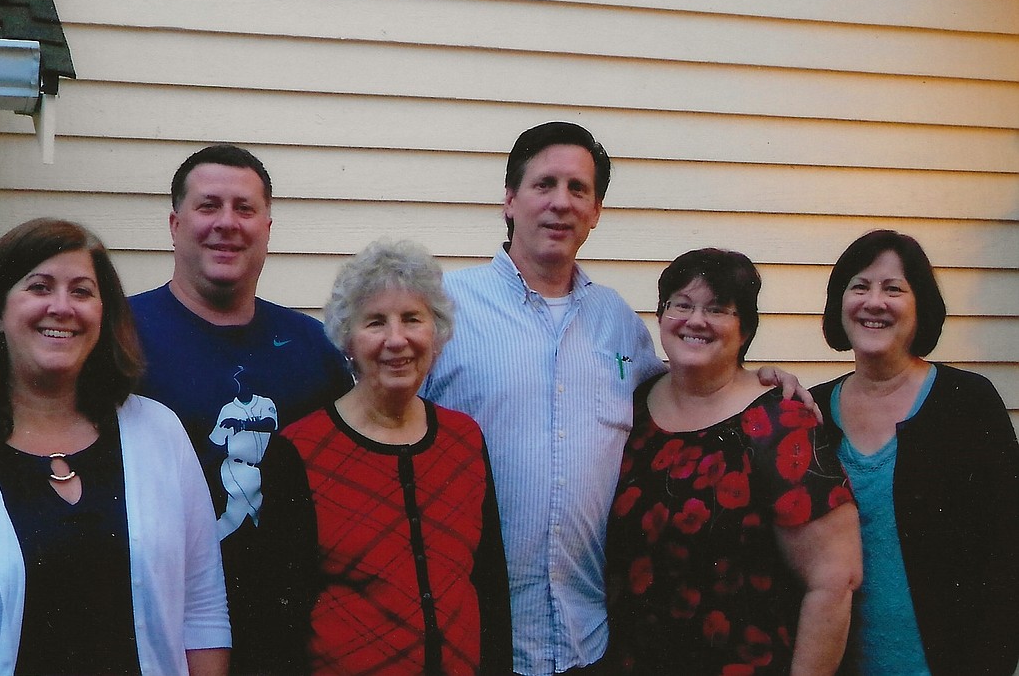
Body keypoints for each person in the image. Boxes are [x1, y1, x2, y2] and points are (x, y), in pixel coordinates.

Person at [423, 121, 813, 675]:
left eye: (578, 189)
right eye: (544, 185)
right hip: (478, 637)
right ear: (509, 200)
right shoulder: (444, 310)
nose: (561, 203)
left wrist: (758, 379)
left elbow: (685, 389)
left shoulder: (616, 324)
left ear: (597, 210)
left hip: (593, 638)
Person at [0, 218, 229, 676]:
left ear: (103, 316)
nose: (62, 307)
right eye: (40, 287)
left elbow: (202, 615)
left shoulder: (159, 433)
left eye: (82, 292)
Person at [128, 145, 352, 672]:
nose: (227, 223)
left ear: (267, 228)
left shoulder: (312, 347)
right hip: (161, 630)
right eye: (209, 206)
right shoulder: (118, 339)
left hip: (288, 634)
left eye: (244, 209)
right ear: (175, 223)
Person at [257, 239, 512, 674]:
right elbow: (280, 621)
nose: (398, 340)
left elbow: (488, 587)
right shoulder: (299, 452)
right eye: (376, 322)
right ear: (348, 340)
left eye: (413, 318)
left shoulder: (464, 439)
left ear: (437, 331)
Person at [607, 247, 862, 674]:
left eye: (718, 309)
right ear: (661, 316)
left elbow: (834, 581)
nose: (695, 320)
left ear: (745, 331)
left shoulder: (780, 422)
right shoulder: (633, 407)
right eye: (681, 305)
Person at [811, 230, 1019, 676]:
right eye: (859, 286)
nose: (874, 302)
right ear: (838, 303)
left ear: (920, 305)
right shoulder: (810, 412)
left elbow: (1008, 550)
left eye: (893, 289)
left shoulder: (967, 402)